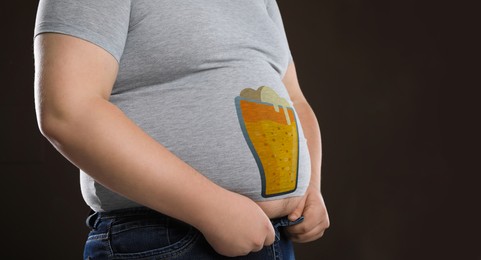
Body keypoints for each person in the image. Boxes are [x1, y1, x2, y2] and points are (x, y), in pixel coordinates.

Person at [33, 0, 329, 259]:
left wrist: (311, 189)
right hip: (165, 239)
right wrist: (212, 209)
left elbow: (294, 99)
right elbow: (68, 111)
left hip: (273, 238)